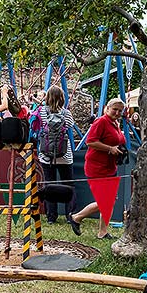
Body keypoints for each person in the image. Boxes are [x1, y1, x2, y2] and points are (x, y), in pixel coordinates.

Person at [69, 98, 126, 239]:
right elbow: (90, 141)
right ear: (107, 108)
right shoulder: (101, 121)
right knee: (105, 201)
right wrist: (110, 148)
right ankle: (77, 217)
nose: (117, 112)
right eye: (115, 109)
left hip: (110, 166)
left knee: (110, 200)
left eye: (120, 111)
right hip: (97, 167)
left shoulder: (115, 123)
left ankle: (103, 232)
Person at [35, 86, 76, 224]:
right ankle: (70, 214)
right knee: (68, 185)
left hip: (46, 155)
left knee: (49, 185)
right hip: (64, 155)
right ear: (62, 98)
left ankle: (51, 216)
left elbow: (36, 125)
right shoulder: (67, 113)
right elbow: (69, 127)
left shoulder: (41, 112)